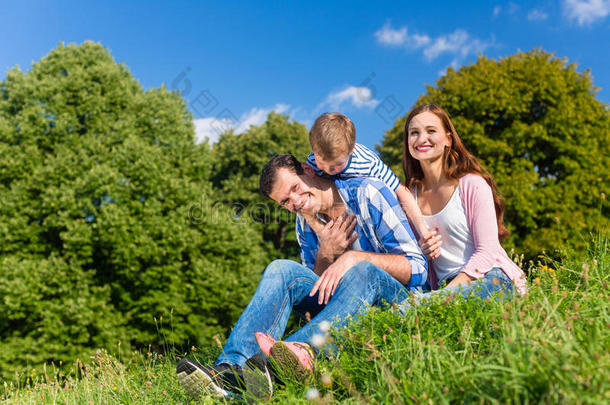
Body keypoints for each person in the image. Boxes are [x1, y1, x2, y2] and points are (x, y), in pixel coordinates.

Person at [262, 104, 527, 378]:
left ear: (448, 138)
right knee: (391, 313)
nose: (421, 138)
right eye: (414, 132)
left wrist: (443, 294)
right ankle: (286, 358)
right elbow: (416, 256)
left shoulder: (471, 184)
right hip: (440, 289)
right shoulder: (409, 195)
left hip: (493, 279)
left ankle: (301, 349)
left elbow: (487, 252)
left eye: (431, 131)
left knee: (396, 312)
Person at [176, 154, 427, 400]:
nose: (296, 202)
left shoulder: (368, 193)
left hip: (394, 303)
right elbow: (315, 299)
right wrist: (326, 253)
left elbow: (418, 268)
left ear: (307, 169)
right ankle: (231, 371)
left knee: (363, 270)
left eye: (295, 188)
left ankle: (273, 368)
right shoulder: (304, 224)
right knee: (280, 268)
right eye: (285, 201)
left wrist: (356, 257)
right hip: (344, 309)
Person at [306, 113, 437, 255]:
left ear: (351, 151)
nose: (328, 170)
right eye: (321, 163)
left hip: (378, 213)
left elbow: (401, 191)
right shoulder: (312, 162)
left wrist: (423, 232)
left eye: (337, 164)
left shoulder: (368, 163)